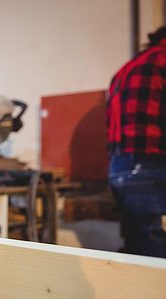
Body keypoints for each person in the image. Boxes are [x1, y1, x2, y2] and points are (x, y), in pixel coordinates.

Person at [107, 26, 166, 258]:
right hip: (152, 166)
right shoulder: (162, 61)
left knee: (140, 246)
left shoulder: (125, 69)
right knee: (157, 253)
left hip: (120, 168)